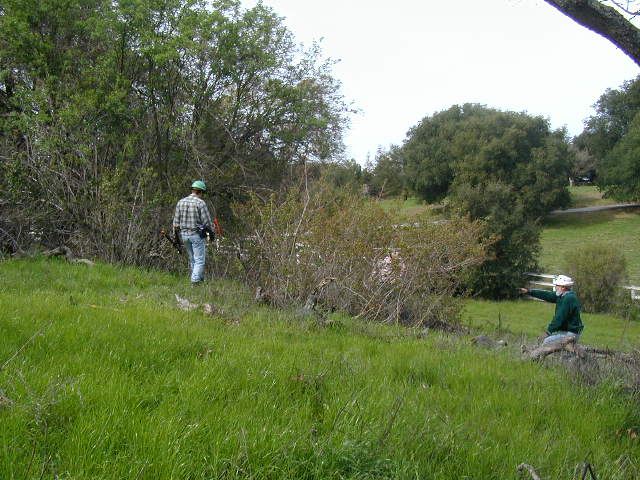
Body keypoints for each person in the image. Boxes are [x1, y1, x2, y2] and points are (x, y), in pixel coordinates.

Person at [519, 275, 584, 345]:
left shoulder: (568, 298)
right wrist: (529, 292)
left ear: (563, 287)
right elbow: (546, 295)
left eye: (557, 285)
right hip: (567, 332)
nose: (555, 287)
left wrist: (548, 332)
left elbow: (559, 318)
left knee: (547, 342)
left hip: (570, 334)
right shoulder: (563, 295)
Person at [172, 180, 213, 286]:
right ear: (201, 192)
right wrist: (211, 232)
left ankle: (200, 281)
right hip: (196, 235)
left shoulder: (181, 202)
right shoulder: (200, 203)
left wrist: (176, 237)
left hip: (184, 236)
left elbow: (175, 223)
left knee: (192, 259)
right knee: (199, 260)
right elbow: (207, 222)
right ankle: (195, 282)